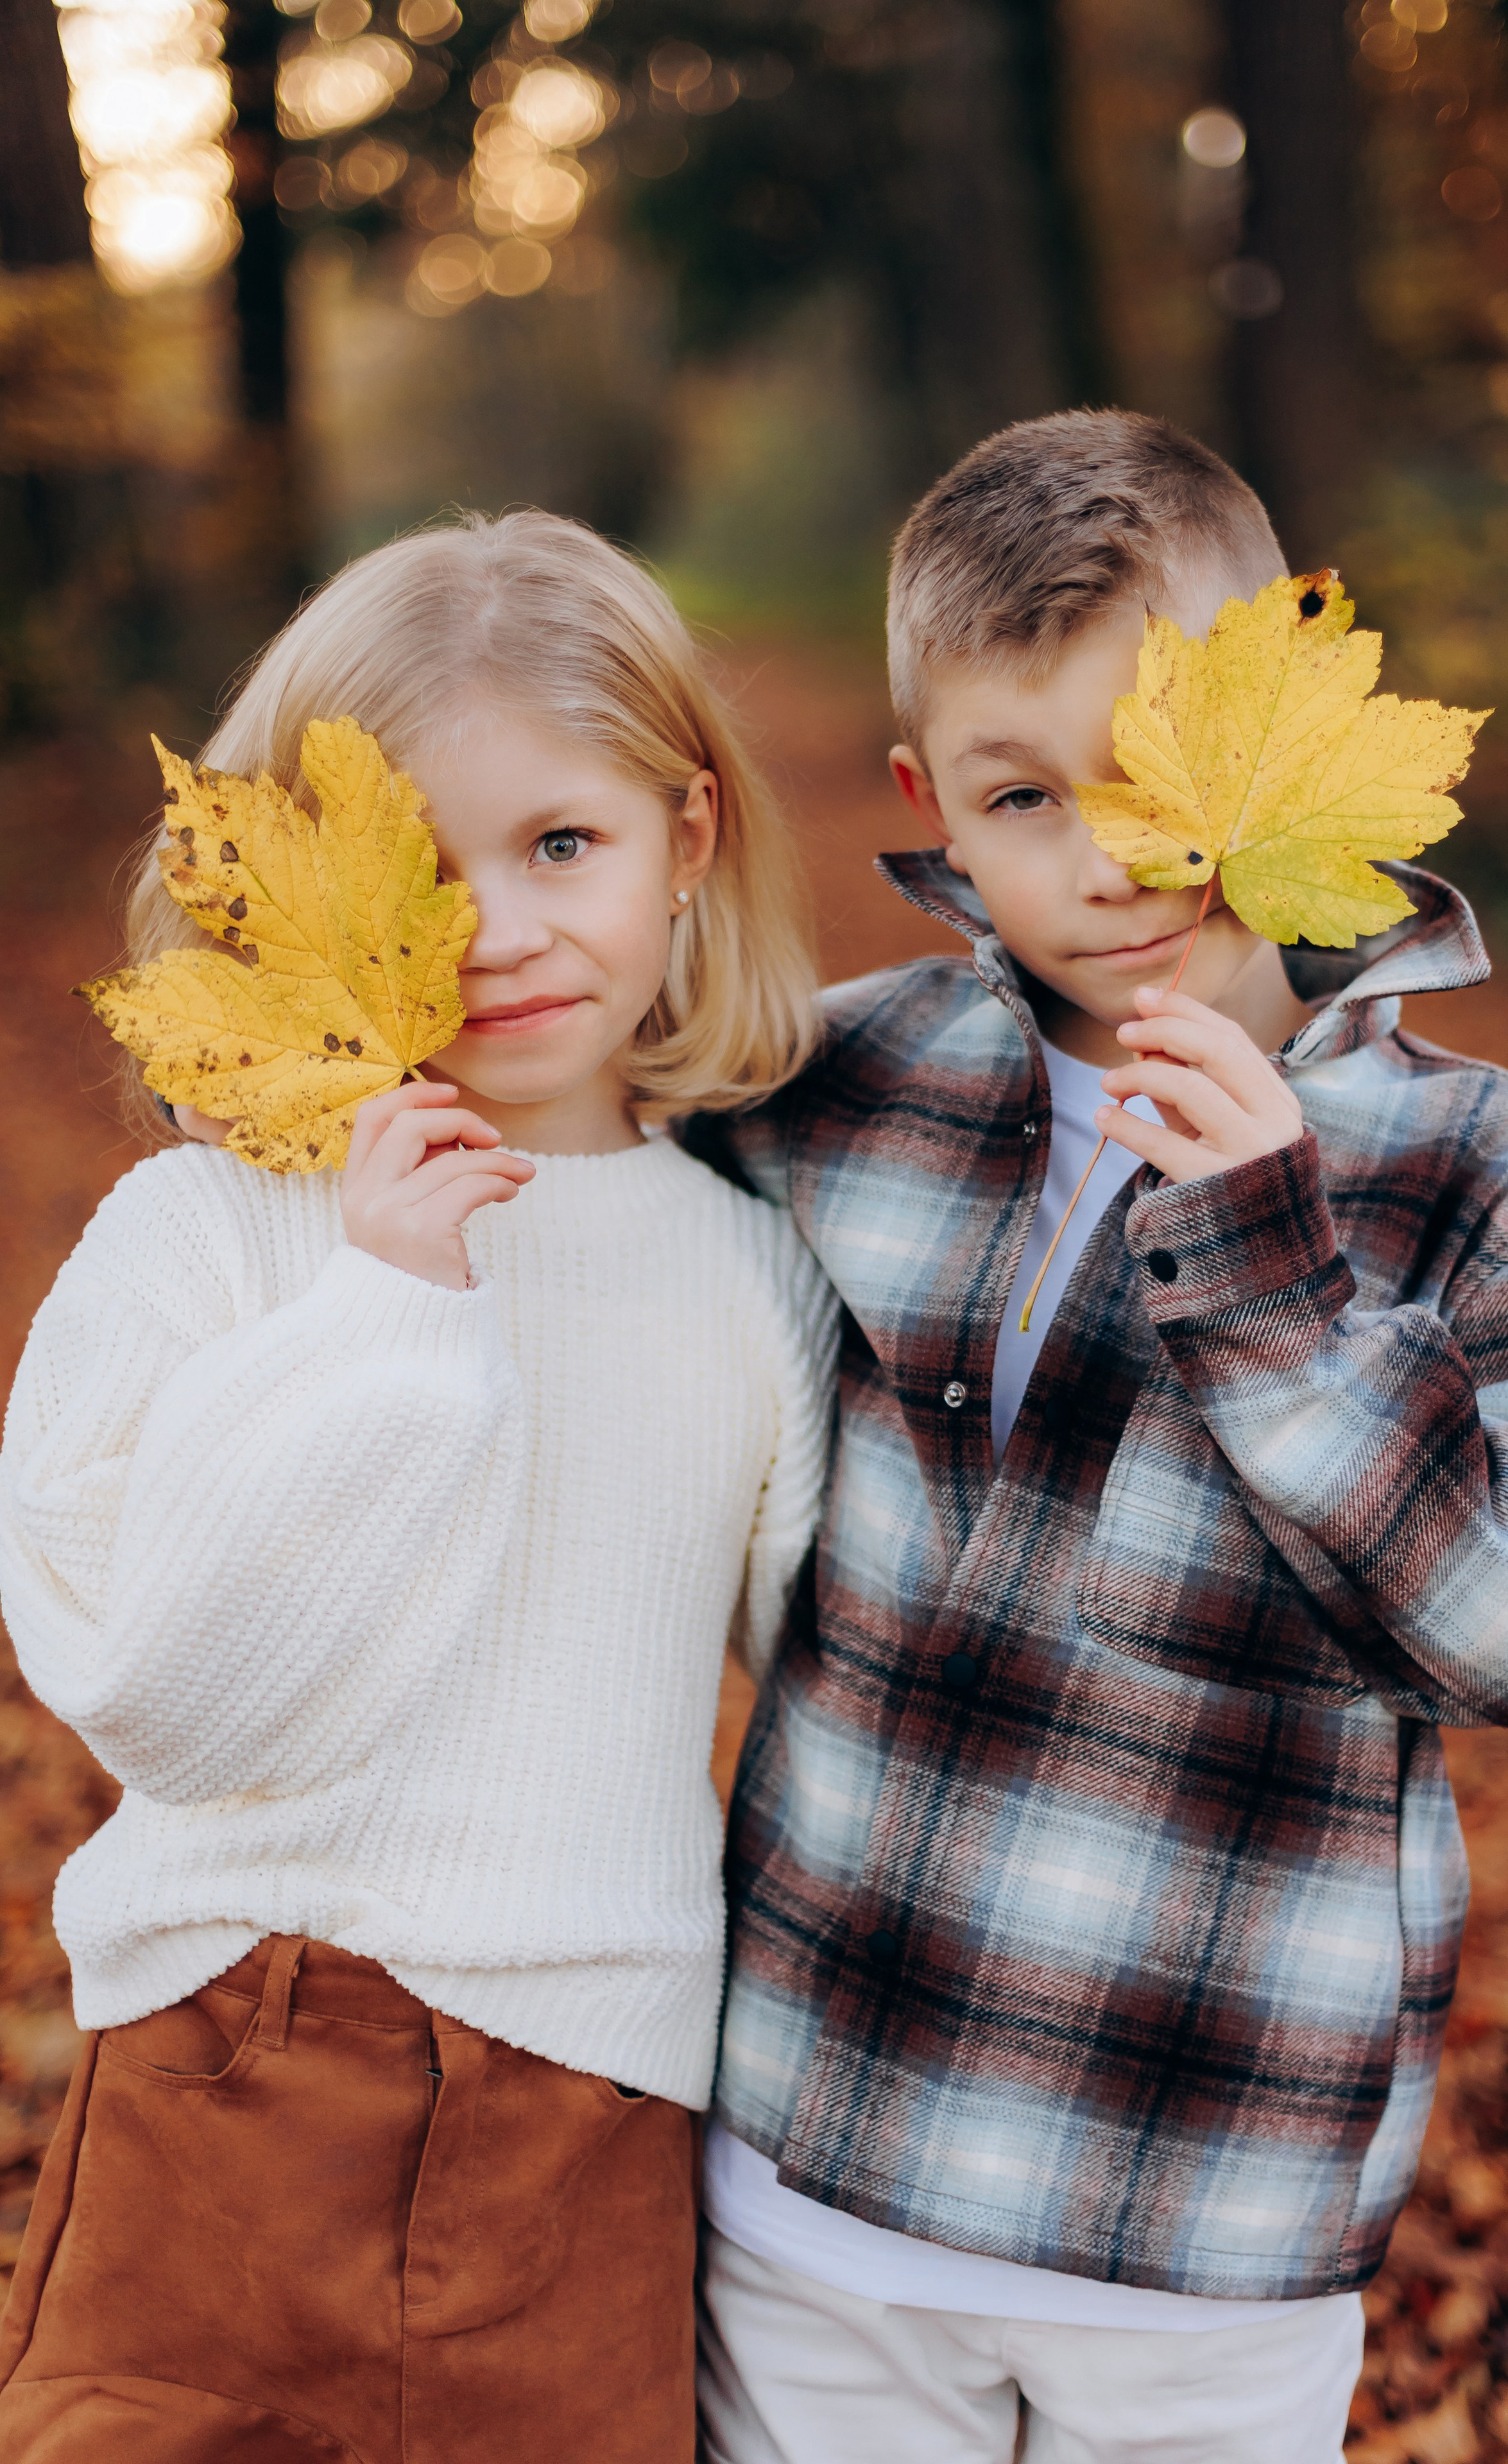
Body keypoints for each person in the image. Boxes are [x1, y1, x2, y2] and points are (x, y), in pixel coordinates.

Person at [689, 411, 1508, 2464]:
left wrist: (1284, 1284)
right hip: (823, 2153)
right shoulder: (841, 1088)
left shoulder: (1477, 1166)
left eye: (1157, 770)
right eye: (1026, 795)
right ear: (926, 796)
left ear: (1298, 702)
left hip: (1211, 2204)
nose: (1109, 859)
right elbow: (571, 1173)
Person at [0, 511, 836, 2463]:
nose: (498, 928)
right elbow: (158, 1699)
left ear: (687, 844)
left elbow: (843, 1707)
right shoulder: (204, 1238)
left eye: (564, 845)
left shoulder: (743, 1283)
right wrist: (384, 1319)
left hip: (590, 2109)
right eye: (413, 870)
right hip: (229, 2056)